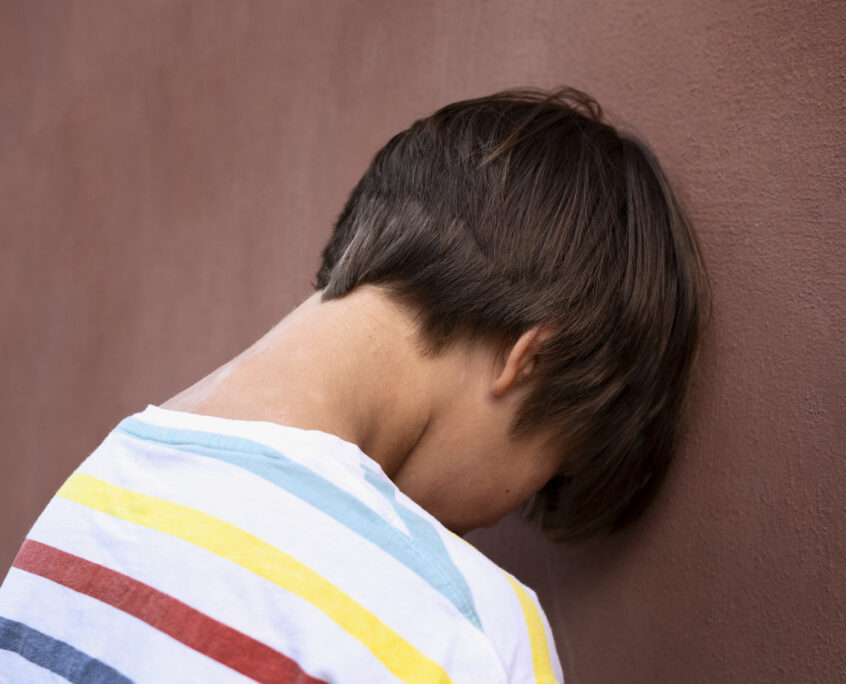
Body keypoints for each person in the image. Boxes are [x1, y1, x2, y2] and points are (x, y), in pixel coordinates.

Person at [0, 87, 708, 683]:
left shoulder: (92, 501)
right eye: (547, 480)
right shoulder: (473, 635)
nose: (503, 514)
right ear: (531, 360)